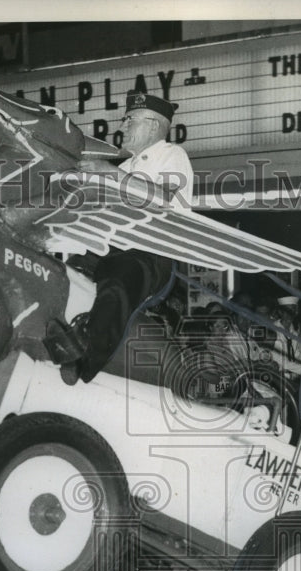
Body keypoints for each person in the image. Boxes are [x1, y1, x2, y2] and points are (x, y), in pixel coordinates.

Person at [60, 91, 195, 385]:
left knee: (118, 281)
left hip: (149, 252)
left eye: (129, 119)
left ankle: (84, 360)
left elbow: (163, 197)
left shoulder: (172, 155)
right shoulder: (124, 167)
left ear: (154, 125)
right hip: (110, 247)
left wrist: (109, 174)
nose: (122, 126)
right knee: (61, 269)